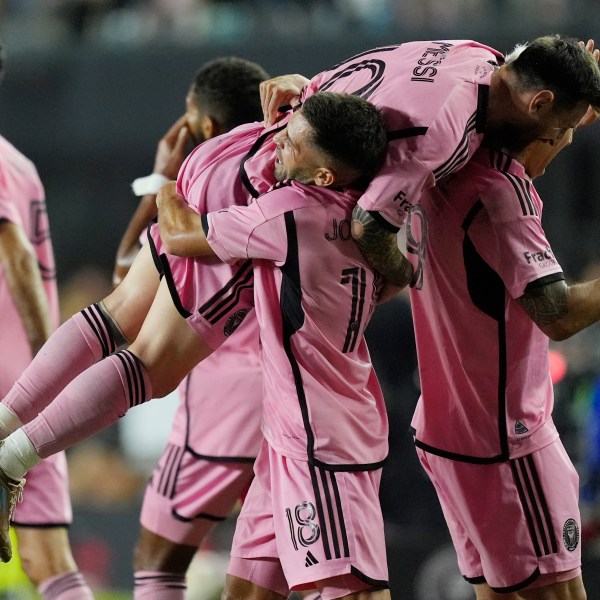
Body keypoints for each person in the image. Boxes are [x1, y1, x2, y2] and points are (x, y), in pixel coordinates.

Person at [0, 92, 400, 600]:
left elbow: (168, 245)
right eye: (287, 127)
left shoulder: (284, 212)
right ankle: (10, 452)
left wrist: (167, 182)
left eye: (294, 141)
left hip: (300, 433)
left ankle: (10, 451)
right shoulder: (370, 216)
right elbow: (399, 277)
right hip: (283, 429)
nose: (279, 141)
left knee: (162, 558)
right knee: (247, 591)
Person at [404, 72, 600, 597]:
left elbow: (531, 139)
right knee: (558, 592)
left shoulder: (439, 171)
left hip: (447, 432)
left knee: (500, 592)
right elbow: (557, 314)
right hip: (507, 440)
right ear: (541, 122)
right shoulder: (503, 195)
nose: (566, 141)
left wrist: (566, 114)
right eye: (562, 132)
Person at [258, 35, 600, 286]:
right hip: (270, 185)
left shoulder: (472, 52)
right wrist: (407, 275)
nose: (555, 138)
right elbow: (368, 225)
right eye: (562, 128)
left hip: (258, 139)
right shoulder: (441, 137)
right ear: (539, 103)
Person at [112, 56, 270, 600]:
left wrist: (161, 178)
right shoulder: (290, 178)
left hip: (223, 402)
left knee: (157, 561)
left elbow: (126, 277)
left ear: (203, 125)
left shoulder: (197, 193)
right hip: (299, 398)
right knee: (263, 577)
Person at [0, 43, 94, 598]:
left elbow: (14, 254)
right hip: (25, 387)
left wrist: (47, 359)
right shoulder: (20, 163)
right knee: (46, 557)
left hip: (19, 383)